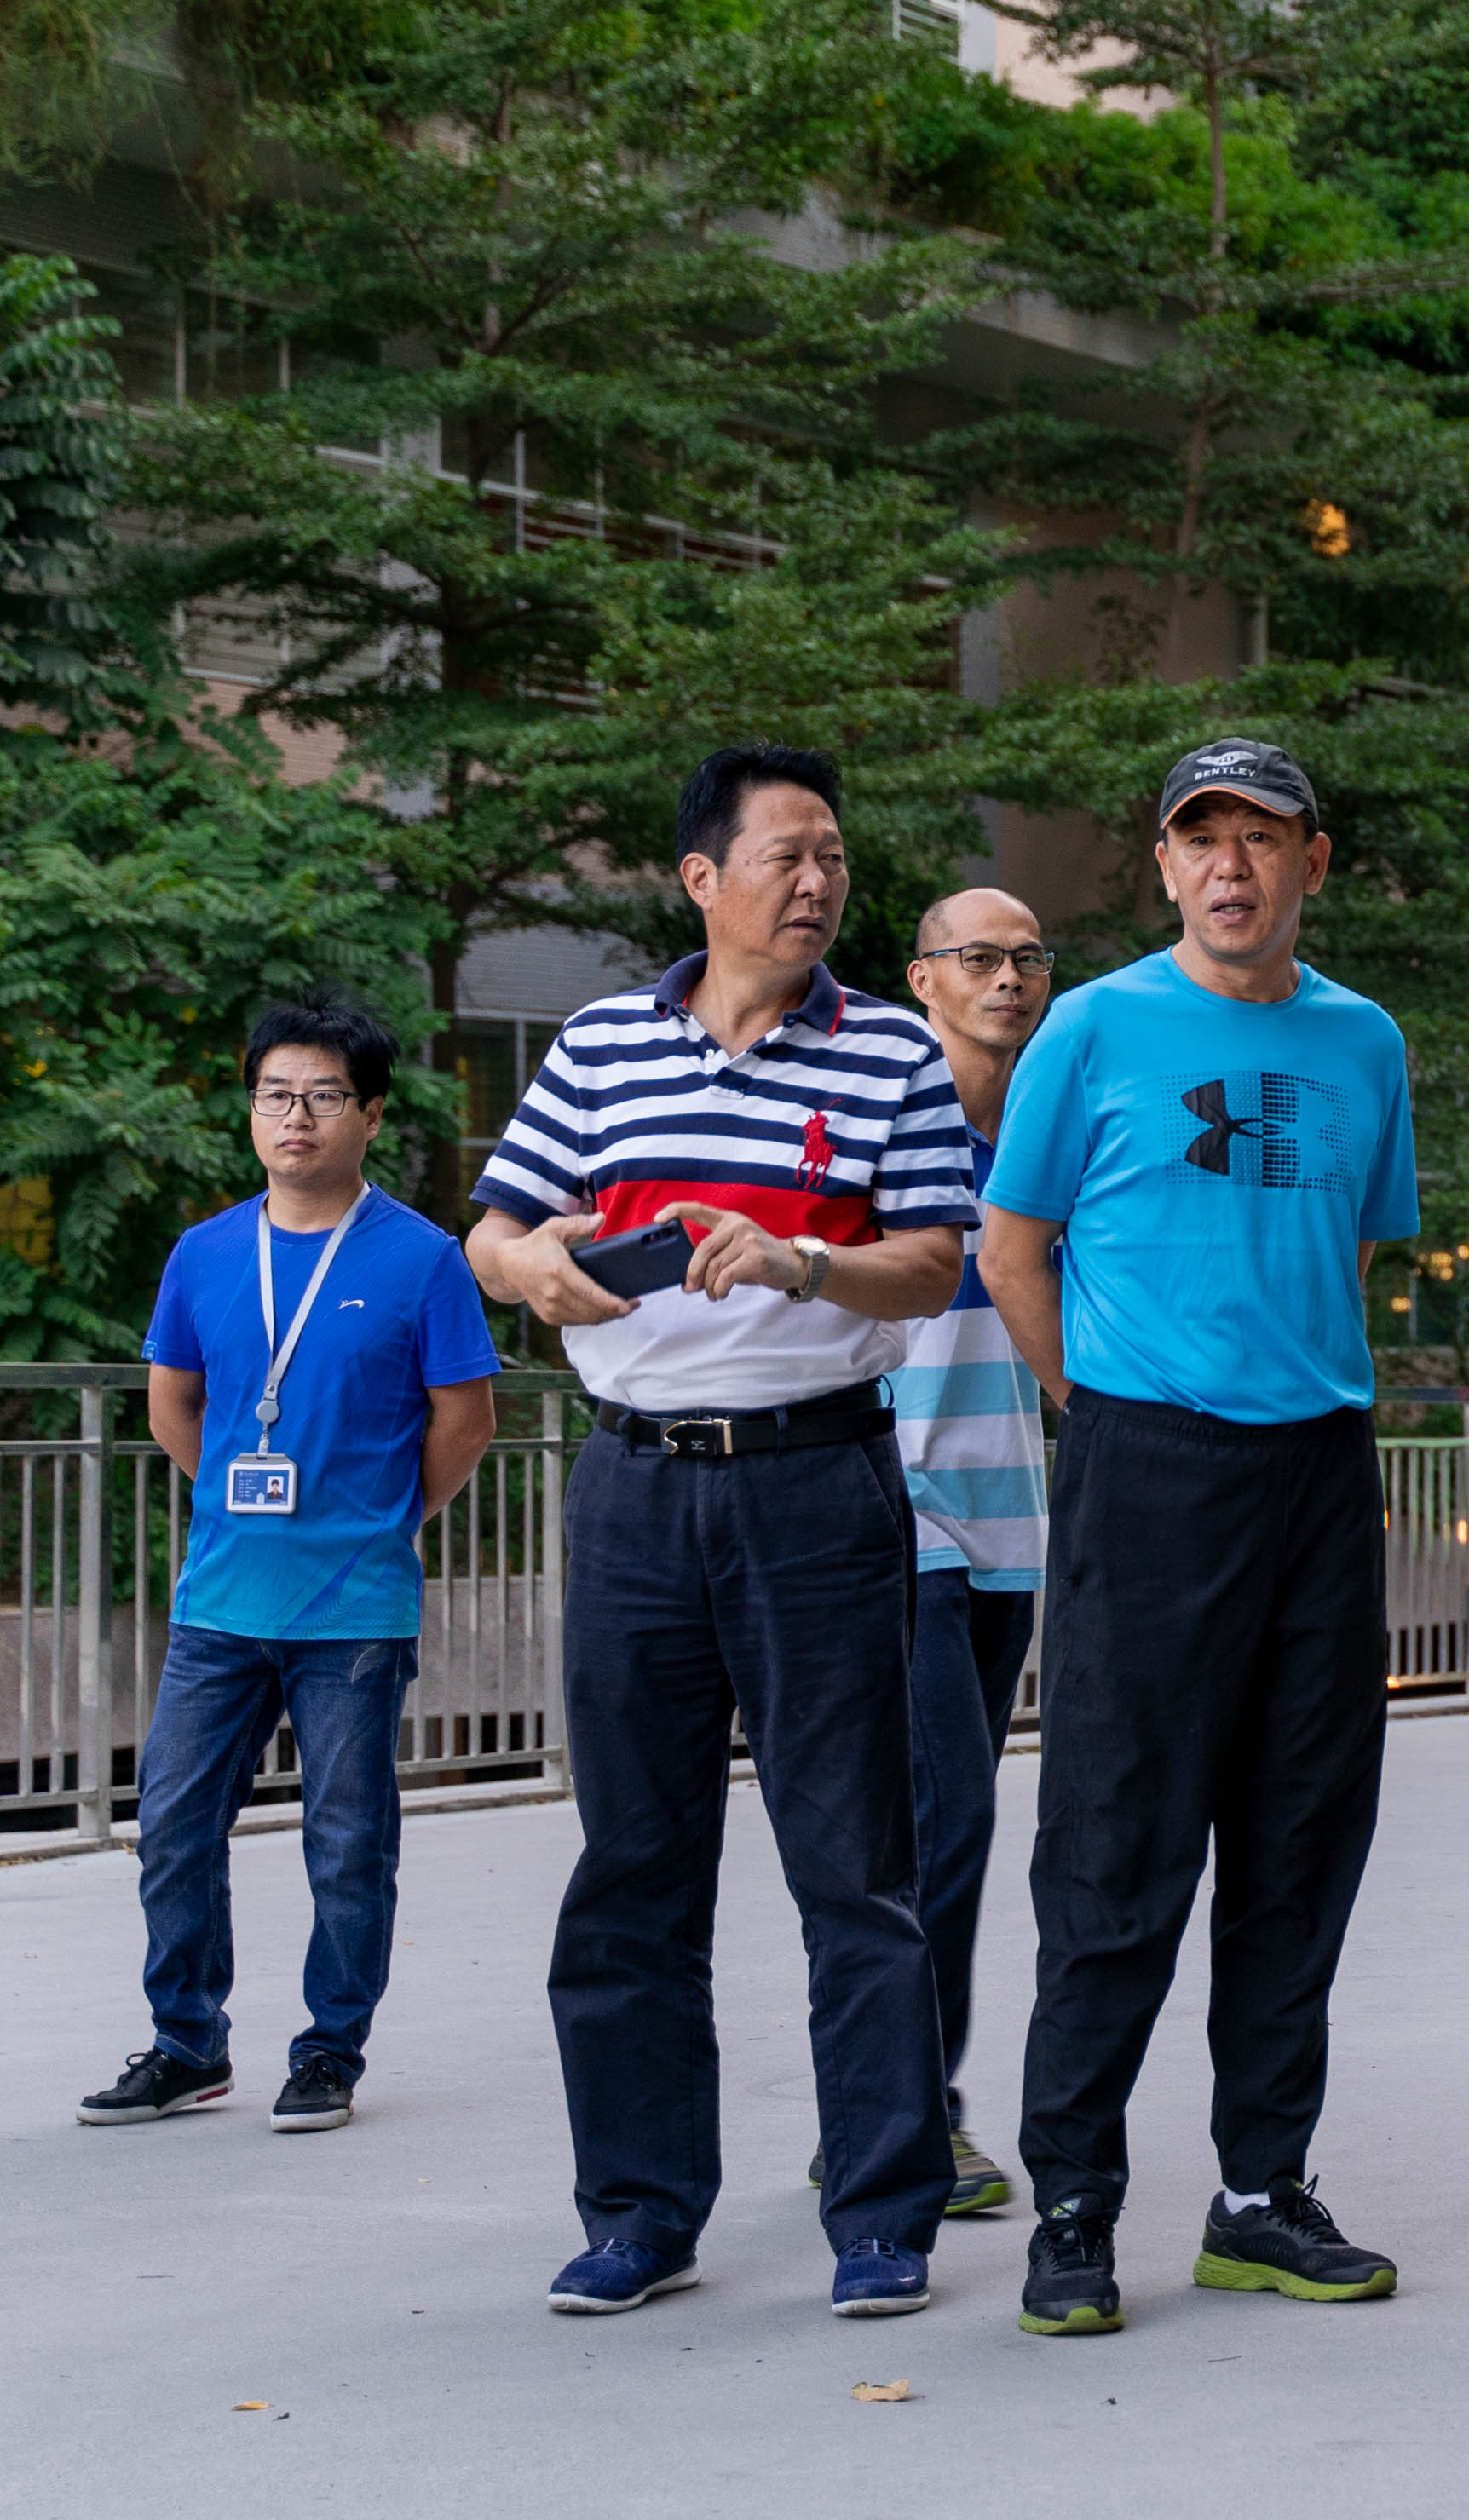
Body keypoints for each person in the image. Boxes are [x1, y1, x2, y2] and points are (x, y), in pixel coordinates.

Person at [468, 745, 974, 2323]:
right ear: (701, 878)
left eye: (834, 857)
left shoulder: (891, 1052)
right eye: (784, 856)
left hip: (817, 1484)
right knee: (632, 1863)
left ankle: (881, 2214)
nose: (817, 883)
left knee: (856, 1864)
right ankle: (637, 2215)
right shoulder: (600, 1045)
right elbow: (494, 1230)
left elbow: (934, 1264)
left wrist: (798, 1263)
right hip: (633, 1488)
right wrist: (528, 1271)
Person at [978, 740, 1421, 2337]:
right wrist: (1105, 1411)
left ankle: (1259, 2194)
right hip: (1146, 1464)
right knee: (1118, 1841)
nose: (1232, 867)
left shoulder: (1364, 1039)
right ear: (1164, 865)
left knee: (1301, 1841)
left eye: (1263, 838)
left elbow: (1347, 1249)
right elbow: (1011, 1250)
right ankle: (1073, 2205)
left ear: (1314, 861)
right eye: (1201, 839)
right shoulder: (1092, 1027)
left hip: (1318, 1472)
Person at [84, 1005, 497, 2137]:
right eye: (275, 1093)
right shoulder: (205, 1252)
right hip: (221, 1600)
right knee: (172, 1824)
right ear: (252, 1108)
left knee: (347, 1844)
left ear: (372, 1113)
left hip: (355, 1606)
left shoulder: (423, 1258)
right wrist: (239, 1502)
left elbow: (465, 1421)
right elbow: (174, 1406)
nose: (295, 1116)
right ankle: (187, 2045)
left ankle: (328, 2052)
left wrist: (383, 1518)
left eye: (323, 1095)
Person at [877, 888, 1059, 2221]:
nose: (1008, 978)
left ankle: (885, 2101)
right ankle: (907, 2113)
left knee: (944, 1821)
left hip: (1010, 1526)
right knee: (948, 1816)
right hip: (895, 1514)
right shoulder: (885, 1126)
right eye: (979, 957)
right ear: (923, 978)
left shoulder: (1048, 1134)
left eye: (1028, 958)